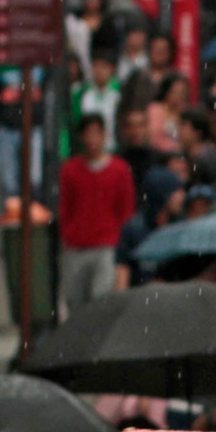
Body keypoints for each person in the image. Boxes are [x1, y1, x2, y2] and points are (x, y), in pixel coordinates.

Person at [56, 114, 136, 316]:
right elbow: (65, 206)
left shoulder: (119, 169)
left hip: (106, 244)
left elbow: (125, 209)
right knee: (75, 301)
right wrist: (67, 234)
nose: (92, 139)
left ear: (104, 135)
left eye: (96, 133)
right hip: (76, 245)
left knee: (101, 299)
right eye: (88, 134)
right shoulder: (70, 170)